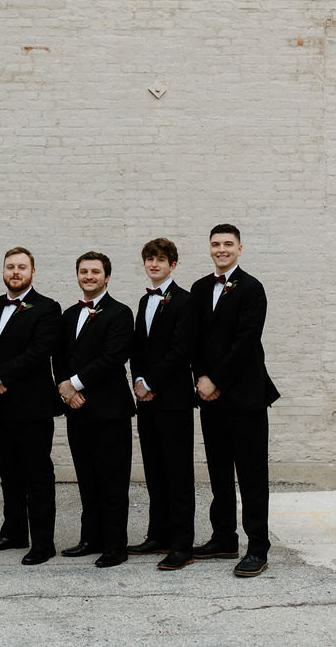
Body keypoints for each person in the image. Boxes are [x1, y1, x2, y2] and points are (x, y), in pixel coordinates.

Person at [189, 224, 280, 578]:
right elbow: (194, 339)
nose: (221, 249)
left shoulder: (252, 288)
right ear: (209, 249)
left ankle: (258, 547)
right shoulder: (199, 288)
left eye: (228, 244)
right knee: (219, 471)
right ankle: (224, 538)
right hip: (209, 396)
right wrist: (200, 379)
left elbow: (246, 342)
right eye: (216, 244)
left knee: (252, 474)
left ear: (240, 249)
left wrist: (216, 379)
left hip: (245, 397)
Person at [0, 247, 61, 566]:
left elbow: (40, 351)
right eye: (10, 266)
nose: (15, 271)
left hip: (32, 406)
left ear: (32, 272)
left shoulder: (47, 308)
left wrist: (0, 375)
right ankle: (13, 531)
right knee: (9, 472)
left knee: (37, 473)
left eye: (22, 267)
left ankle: (43, 541)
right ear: (3, 270)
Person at [52, 251, 134, 569]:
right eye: (84, 271)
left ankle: (115, 545)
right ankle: (91, 538)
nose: (89, 276)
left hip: (110, 410)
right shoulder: (69, 314)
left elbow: (113, 358)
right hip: (77, 409)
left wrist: (74, 383)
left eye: (95, 272)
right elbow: (57, 356)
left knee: (113, 480)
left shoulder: (120, 313)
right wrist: (64, 388)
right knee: (86, 477)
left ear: (107, 277)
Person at [127, 239, 197, 571]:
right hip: (147, 399)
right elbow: (138, 349)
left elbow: (181, 351)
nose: (154, 264)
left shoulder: (185, 301)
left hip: (173, 400)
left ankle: (182, 544)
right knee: (154, 469)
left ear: (173, 265)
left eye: (161, 260)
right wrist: (138, 382)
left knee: (177, 472)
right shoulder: (145, 300)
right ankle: (158, 534)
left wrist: (151, 383)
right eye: (150, 259)